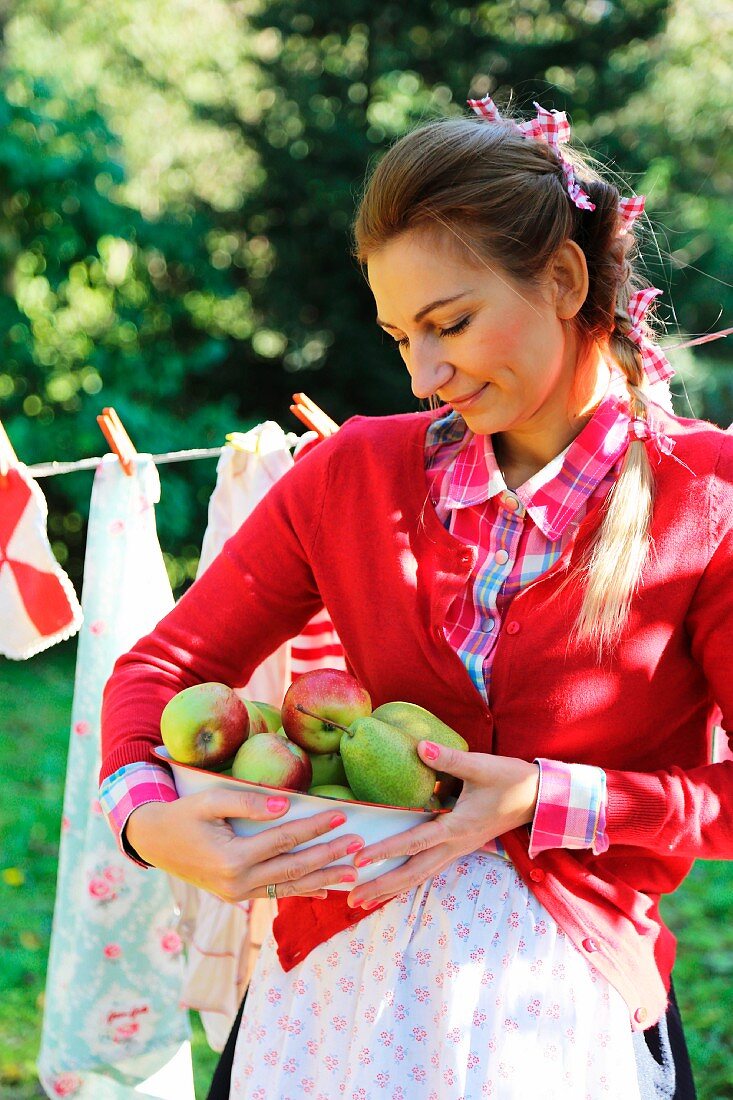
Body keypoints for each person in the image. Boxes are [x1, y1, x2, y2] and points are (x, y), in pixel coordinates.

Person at [98, 92, 733, 1098]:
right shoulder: (351, 472)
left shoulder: (707, 499)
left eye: (451, 322)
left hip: (555, 1011)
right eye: (401, 335)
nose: (425, 371)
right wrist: (140, 811)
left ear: (563, 278)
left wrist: (546, 792)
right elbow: (163, 667)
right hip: (324, 1008)